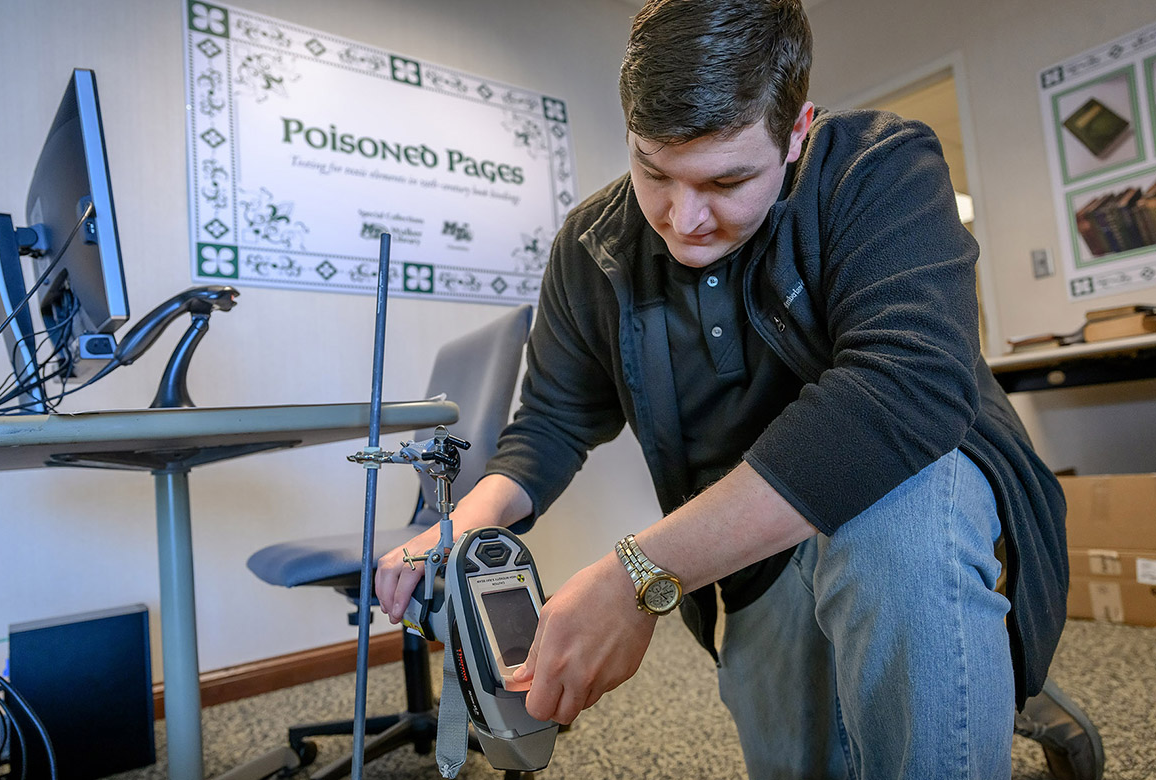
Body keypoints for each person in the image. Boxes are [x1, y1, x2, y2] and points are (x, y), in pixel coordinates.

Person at [376, 1, 1086, 777]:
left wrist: (636, 575)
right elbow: (551, 420)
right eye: (654, 172)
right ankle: (961, 682)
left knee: (896, 536)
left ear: (797, 132)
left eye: (728, 180)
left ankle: (980, 674)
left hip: (909, 480)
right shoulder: (587, 248)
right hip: (745, 544)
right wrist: (459, 523)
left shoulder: (878, 165)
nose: (683, 219)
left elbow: (903, 388)